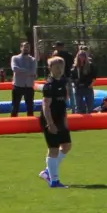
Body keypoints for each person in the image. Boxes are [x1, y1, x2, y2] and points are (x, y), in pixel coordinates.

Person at [37, 56, 72, 189]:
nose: (59, 69)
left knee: (67, 146)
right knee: (53, 150)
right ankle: (54, 181)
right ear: (50, 68)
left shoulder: (63, 82)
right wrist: (50, 123)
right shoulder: (49, 85)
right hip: (50, 119)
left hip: (60, 118)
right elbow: (45, 106)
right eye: (56, 67)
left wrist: (64, 119)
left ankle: (47, 171)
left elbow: (63, 102)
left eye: (61, 67)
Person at [10, 41, 36, 118]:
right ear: (21, 48)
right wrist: (27, 71)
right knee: (15, 106)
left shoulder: (33, 60)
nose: (26, 49)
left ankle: (30, 124)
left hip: (29, 86)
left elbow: (33, 72)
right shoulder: (15, 58)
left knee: (30, 107)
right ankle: (13, 123)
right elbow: (14, 68)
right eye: (25, 47)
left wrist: (21, 70)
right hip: (18, 86)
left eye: (28, 47)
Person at [72, 51, 97, 115]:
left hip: (88, 87)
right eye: (80, 55)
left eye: (83, 56)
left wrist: (91, 85)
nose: (81, 57)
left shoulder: (90, 65)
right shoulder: (75, 67)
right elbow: (73, 77)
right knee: (79, 107)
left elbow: (94, 77)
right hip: (78, 88)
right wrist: (75, 84)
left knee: (90, 107)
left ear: (86, 57)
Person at [53, 41, 75, 113]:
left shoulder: (56, 55)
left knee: (60, 93)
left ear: (59, 47)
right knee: (70, 93)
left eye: (56, 47)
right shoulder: (69, 54)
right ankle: (73, 109)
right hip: (67, 75)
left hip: (59, 77)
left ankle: (63, 109)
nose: (56, 48)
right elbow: (72, 65)